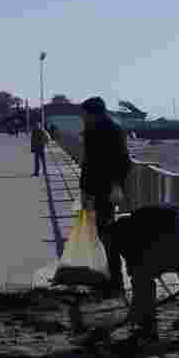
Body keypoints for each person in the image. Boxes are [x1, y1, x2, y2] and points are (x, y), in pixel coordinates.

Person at [105, 206, 179, 345]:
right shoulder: (135, 220)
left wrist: (134, 312)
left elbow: (140, 281)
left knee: (144, 281)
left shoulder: (127, 239)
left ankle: (148, 330)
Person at [78, 96, 131, 295]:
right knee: (98, 236)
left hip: (106, 191)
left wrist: (116, 186)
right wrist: (83, 190)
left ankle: (115, 282)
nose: (82, 118)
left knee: (108, 236)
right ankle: (104, 277)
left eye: (85, 115)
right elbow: (87, 163)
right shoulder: (91, 131)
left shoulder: (114, 131)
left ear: (95, 114)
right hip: (93, 189)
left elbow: (124, 162)